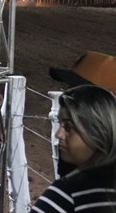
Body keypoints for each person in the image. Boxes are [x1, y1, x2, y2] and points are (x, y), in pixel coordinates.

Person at [30, 85, 116, 213]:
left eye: (68, 127)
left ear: (99, 131)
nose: (58, 134)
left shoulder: (71, 192)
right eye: (59, 123)